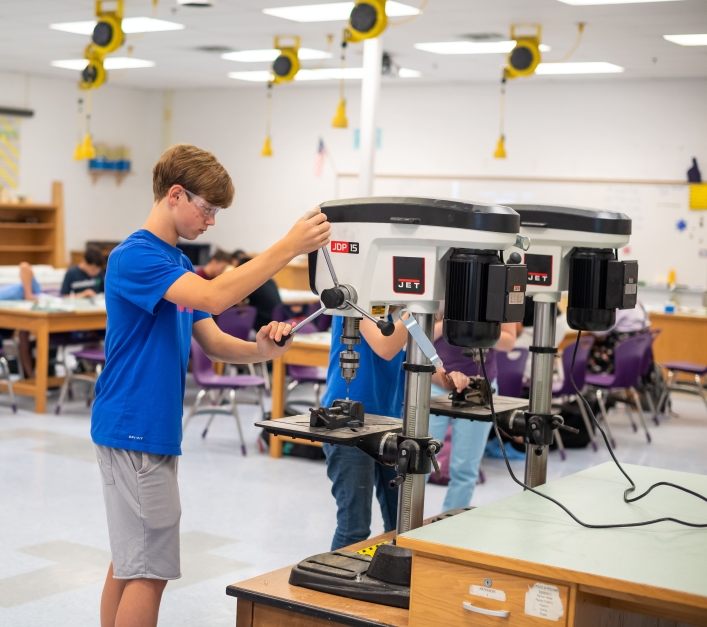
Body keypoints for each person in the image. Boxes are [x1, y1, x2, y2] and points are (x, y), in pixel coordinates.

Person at [92, 144, 330, 627]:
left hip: (146, 426)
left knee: (132, 556)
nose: (212, 221)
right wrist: (287, 246)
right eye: (208, 208)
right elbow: (217, 295)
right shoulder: (136, 256)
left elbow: (214, 340)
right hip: (133, 424)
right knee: (149, 569)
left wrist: (262, 351)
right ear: (175, 195)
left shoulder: (175, 262)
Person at [320, 315, 468, 550]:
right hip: (347, 423)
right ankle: (332, 584)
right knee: (354, 528)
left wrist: (452, 380)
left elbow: (431, 369)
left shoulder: (401, 314)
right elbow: (385, 347)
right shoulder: (354, 300)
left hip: (391, 425)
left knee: (401, 524)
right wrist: (414, 311)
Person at [429, 321, 517, 511]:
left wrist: (479, 330)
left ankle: (450, 526)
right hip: (434, 381)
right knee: (419, 462)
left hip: (479, 385)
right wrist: (451, 326)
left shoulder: (499, 293)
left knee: (465, 469)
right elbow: (416, 335)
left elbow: (509, 342)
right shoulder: (436, 293)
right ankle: (409, 527)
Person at [237, 256, 282, 330]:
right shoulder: (270, 280)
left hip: (263, 325)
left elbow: (238, 301)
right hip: (278, 323)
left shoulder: (251, 283)